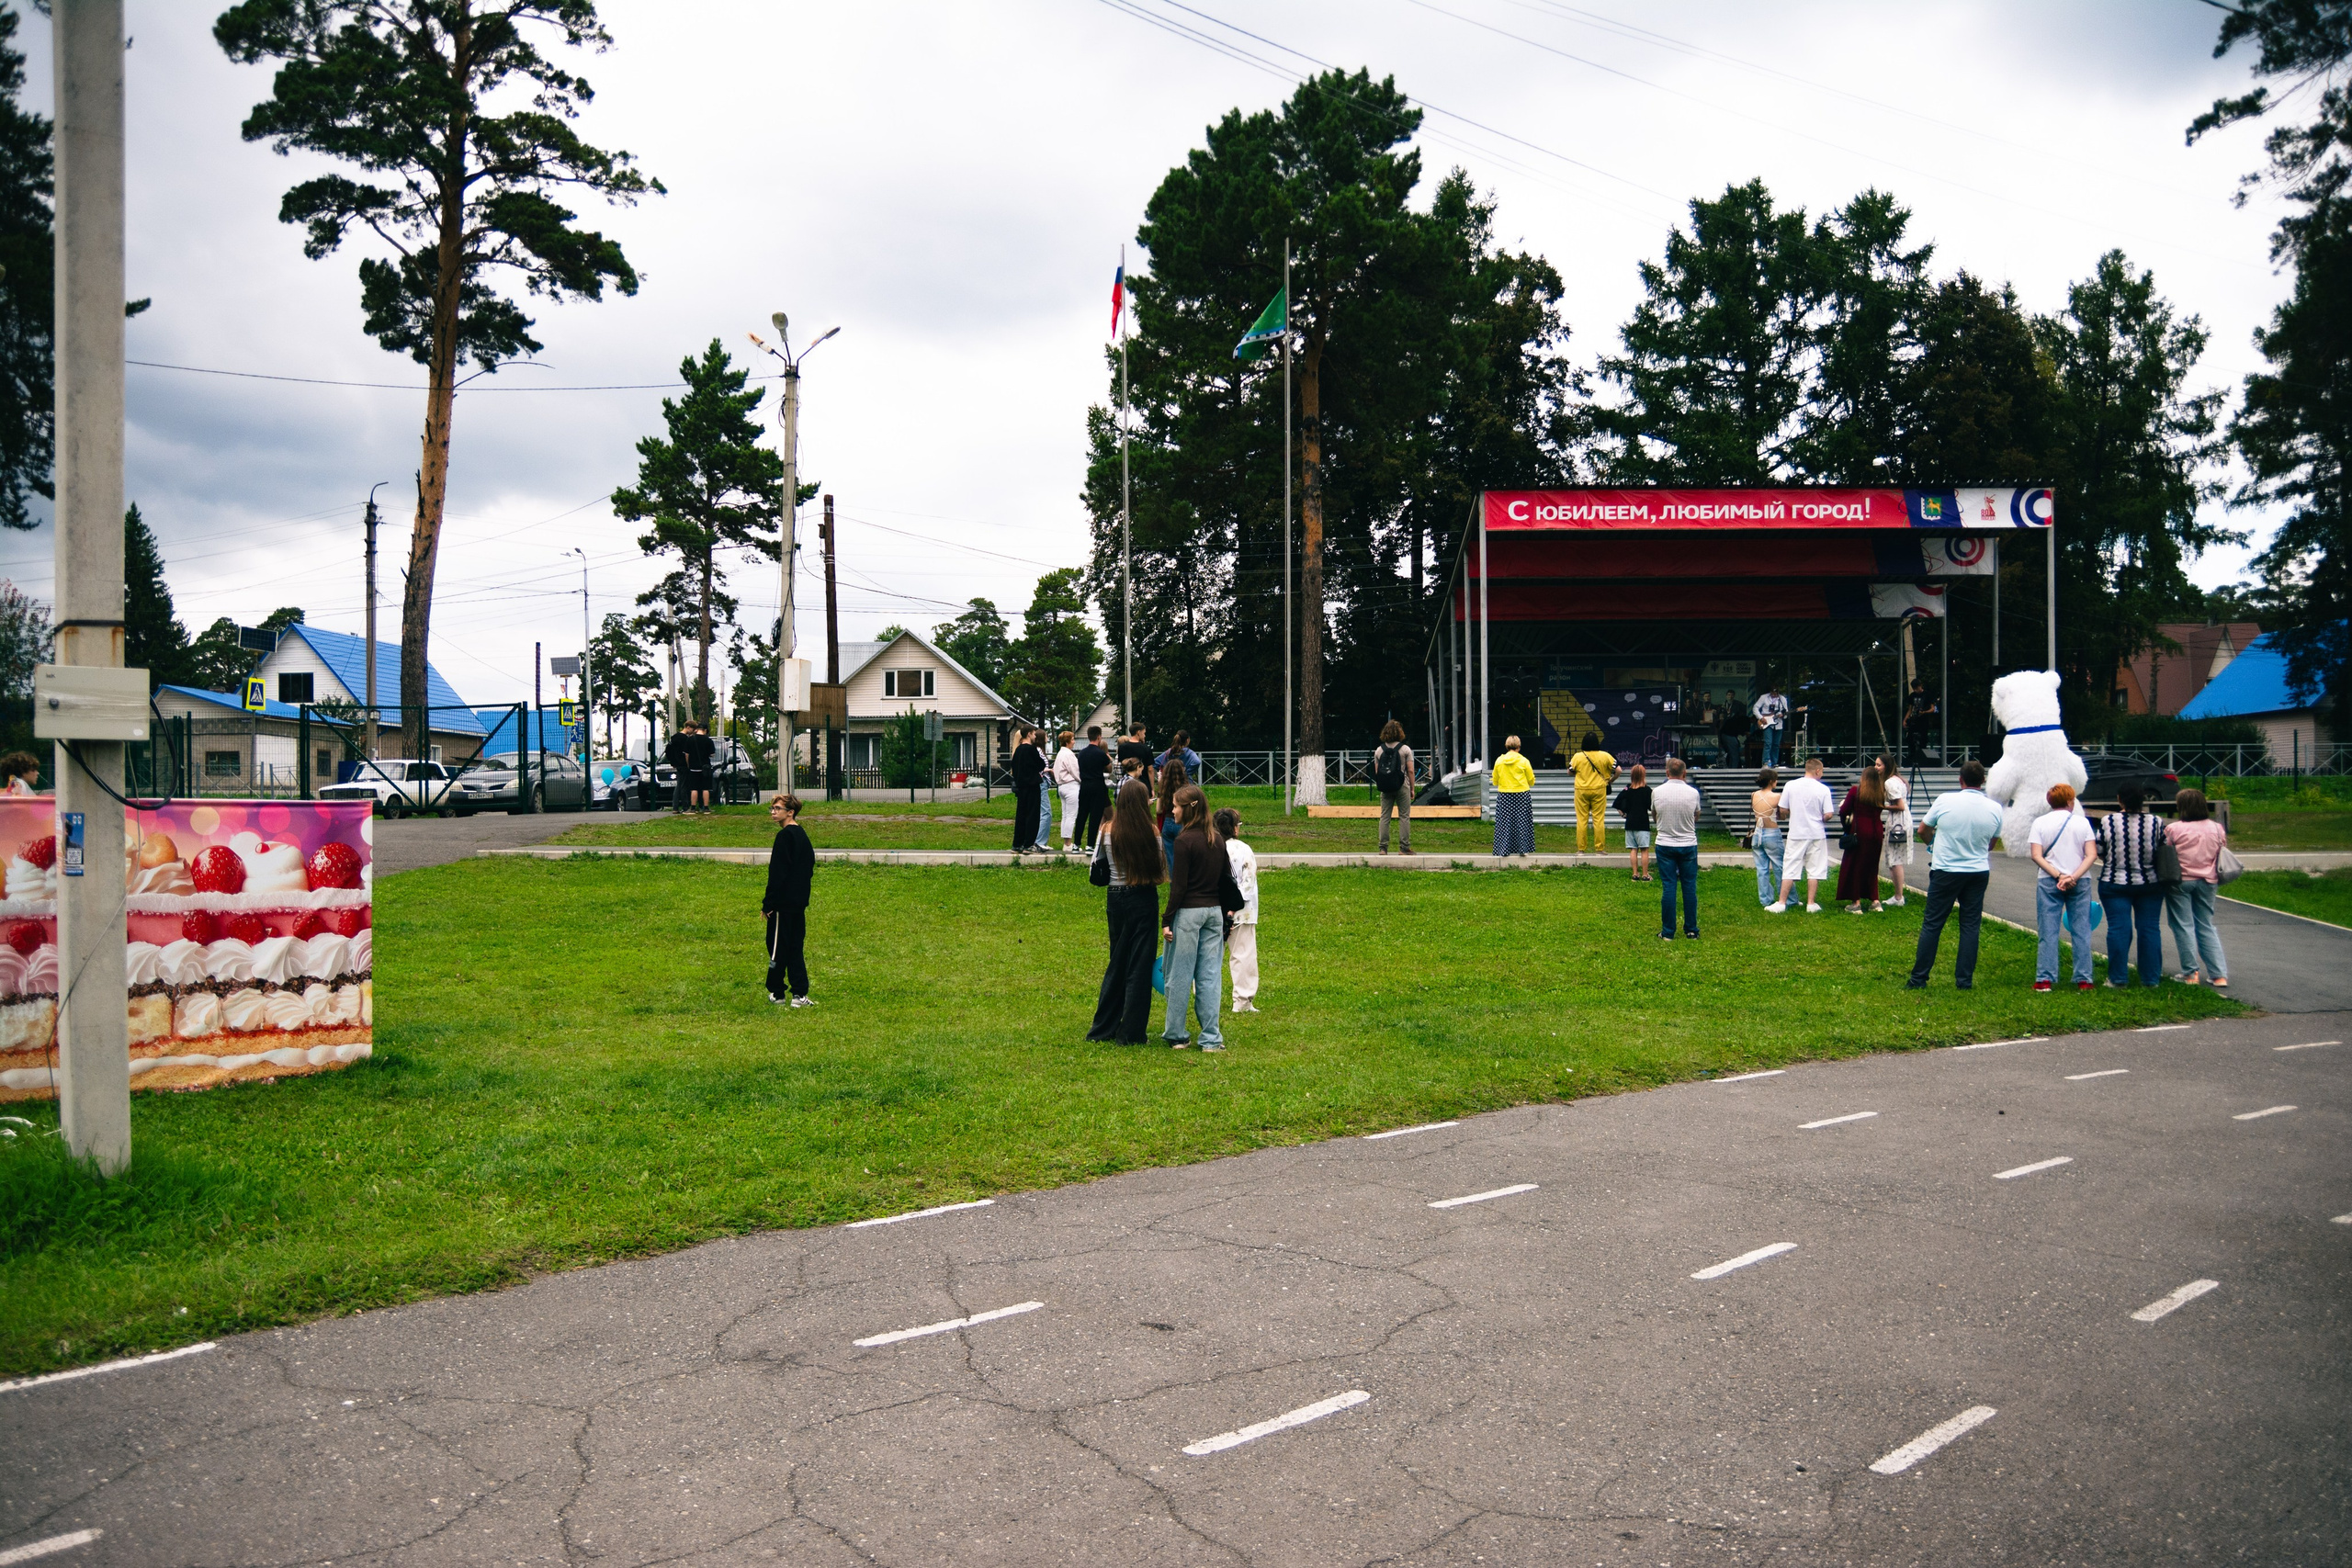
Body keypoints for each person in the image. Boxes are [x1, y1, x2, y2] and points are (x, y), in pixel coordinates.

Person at [1906, 759, 2005, 989]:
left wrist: (1932, 845)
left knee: (1933, 924)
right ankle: (1964, 980)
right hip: (1978, 870)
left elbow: (1923, 829)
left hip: (1946, 869)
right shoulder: (1995, 807)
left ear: (1960, 780)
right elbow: (1992, 842)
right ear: (1983, 781)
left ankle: (1919, 978)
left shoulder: (1945, 800)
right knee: (1970, 926)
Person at [1087, 780, 1166, 1043]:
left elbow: (1095, 868)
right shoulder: (1152, 832)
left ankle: (1104, 1027)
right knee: (1140, 965)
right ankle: (1131, 1032)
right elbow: (1160, 871)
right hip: (1143, 897)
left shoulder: (1107, 830)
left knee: (1117, 961)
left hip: (1116, 898)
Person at [1160, 784, 1227, 1050]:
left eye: (1175, 806)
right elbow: (1225, 881)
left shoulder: (1184, 841)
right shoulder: (1217, 839)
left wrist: (1167, 919)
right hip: (1214, 913)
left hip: (1189, 913)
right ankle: (1211, 1038)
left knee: (1179, 975)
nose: (1172, 810)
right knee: (1209, 977)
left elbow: (1179, 886)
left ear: (1188, 809)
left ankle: (1176, 1034)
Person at [2028, 781, 2100, 992]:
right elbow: (2091, 855)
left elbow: (2036, 855)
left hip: (2049, 880)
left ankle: (2045, 979)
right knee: (2081, 930)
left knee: (2048, 931)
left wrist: (2058, 875)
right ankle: (2084, 979)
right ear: (2070, 801)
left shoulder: (2039, 823)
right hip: (2080, 880)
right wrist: (2073, 876)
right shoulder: (2083, 823)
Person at [2097, 782, 2167, 988]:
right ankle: (2151, 978)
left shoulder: (2109, 820)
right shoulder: (2155, 821)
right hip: (2150, 883)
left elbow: (2100, 848)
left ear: (2120, 799)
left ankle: (2118, 978)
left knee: (2119, 928)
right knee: (2149, 929)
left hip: (2114, 882)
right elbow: (2162, 848)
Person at [2165, 788, 2231, 987]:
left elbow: (2166, 852)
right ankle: (2219, 975)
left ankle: (2190, 973)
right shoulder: (2217, 828)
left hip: (2181, 881)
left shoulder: (2174, 829)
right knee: (2206, 924)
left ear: (2181, 807)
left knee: (2183, 926)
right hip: (2209, 881)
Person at [761, 792, 816, 1006]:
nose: (773, 813)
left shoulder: (785, 836)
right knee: (795, 947)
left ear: (790, 812)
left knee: (777, 948)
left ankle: (777, 993)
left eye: (777, 809)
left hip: (783, 906)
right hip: (798, 903)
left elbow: (778, 873)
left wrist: (768, 904)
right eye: (772, 809)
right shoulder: (802, 834)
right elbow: (808, 868)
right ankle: (799, 994)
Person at [1766, 756, 1837, 913]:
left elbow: (1783, 809)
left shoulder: (1791, 785)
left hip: (1797, 831)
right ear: (1817, 771)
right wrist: (1821, 818)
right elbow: (1829, 814)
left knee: (1790, 865)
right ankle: (1811, 903)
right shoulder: (1823, 789)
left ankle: (1782, 902)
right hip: (1816, 832)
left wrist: (1794, 812)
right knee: (1815, 867)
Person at [1653, 757, 1702, 940]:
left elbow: (1654, 814)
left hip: (1665, 843)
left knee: (1669, 887)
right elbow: (1697, 814)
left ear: (1667, 773)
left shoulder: (1657, 792)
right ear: (1685, 773)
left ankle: (1668, 932)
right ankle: (1691, 929)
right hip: (1688, 843)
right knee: (1689, 886)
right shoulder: (1693, 793)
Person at [1216, 806, 1260, 1012]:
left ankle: (1205, 995)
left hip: (1215, 908)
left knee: (1211, 954)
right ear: (1234, 828)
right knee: (1243, 955)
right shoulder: (1243, 849)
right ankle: (1242, 1000)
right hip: (1243, 911)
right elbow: (1247, 883)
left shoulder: (1211, 846)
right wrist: (1233, 908)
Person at [1836, 763, 1887, 914]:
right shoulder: (1879, 792)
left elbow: (1844, 810)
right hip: (1877, 830)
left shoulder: (1855, 790)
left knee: (1855, 865)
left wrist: (1847, 828)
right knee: (1872, 866)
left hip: (1860, 831)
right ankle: (1875, 901)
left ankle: (1856, 902)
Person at [1567, 732, 1615, 854]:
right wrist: (1610, 780)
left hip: (1581, 790)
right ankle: (1600, 849)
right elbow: (1618, 769)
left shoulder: (1578, 756)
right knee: (1598, 819)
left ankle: (1581, 849)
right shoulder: (1605, 756)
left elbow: (1569, 771)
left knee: (1582, 819)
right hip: (1599, 789)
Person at [1373, 719, 1416, 854]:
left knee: (1385, 816)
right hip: (1402, 786)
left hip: (1386, 787)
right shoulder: (1405, 749)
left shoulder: (1379, 750)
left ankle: (1383, 848)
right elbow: (1410, 771)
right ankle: (1404, 848)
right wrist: (1412, 788)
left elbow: (1377, 772)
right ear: (1400, 733)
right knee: (1404, 816)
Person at [1490, 735, 1535, 857]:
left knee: (1504, 822)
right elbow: (1531, 780)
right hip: (1522, 794)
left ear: (1506, 745)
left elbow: (1495, 780)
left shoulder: (1499, 761)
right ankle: (1523, 849)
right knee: (1522, 821)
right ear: (1519, 746)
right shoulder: (1524, 761)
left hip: (1504, 794)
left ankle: (1504, 850)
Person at [1878, 755, 1914, 906]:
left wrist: (1881, 805)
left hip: (1898, 821)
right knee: (1895, 858)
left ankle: (1899, 896)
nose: (1876, 768)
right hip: (1903, 820)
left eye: (1879, 765)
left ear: (1886, 766)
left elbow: (1899, 805)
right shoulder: (1899, 780)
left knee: (1895, 859)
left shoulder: (1889, 782)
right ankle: (1898, 895)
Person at [1009, 726, 1046, 853]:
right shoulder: (1032, 750)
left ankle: (1017, 843)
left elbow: (1014, 766)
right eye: (1034, 734)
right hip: (1032, 786)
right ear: (1029, 734)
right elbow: (1041, 764)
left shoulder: (1018, 750)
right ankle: (1029, 844)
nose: (1035, 736)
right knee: (1032, 815)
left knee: (1021, 815)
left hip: (1021, 787)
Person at [1749, 767, 1782, 908]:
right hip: (1771, 832)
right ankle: (1787, 898)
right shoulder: (1777, 796)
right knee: (1779, 867)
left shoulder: (1753, 794)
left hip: (1757, 833)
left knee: (1761, 869)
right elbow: (1782, 815)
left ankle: (1765, 899)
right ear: (1771, 781)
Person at [1074, 725, 1112, 851]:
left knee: (1082, 815)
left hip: (1084, 785)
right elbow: (1108, 768)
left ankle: (1076, 844)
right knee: (1095, 816)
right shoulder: (1101, 754)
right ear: (1099, 736)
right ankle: (1090, 844)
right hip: (1097, 786)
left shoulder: (1082, 753)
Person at [1616, 763, 1654, 882]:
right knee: (1644, 849)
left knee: (1633, 849)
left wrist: (1623, 814)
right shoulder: (1647, 790)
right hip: (1642, 822)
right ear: (1644, 775)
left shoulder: (1628, 788)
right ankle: (1645, 874)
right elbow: (1652, 806)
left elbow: (1617, 802)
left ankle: (1635, 874)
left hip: (1630, 822)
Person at [1156, 755, 1190, 872]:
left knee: (1171, 860)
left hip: (1168, 823)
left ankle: (1173, 886)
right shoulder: (1186, 789)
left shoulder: (1163, 788)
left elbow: (1159, 810)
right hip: (1182, 823)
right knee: (1185, 858)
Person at [1052, 728, 1082, 852]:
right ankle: (1068, 843)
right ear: (1068, 741)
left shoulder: (1060, 753)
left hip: (1061, 786)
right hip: (1071, 786)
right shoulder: (1069, 754)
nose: (1074, 742)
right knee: (1071, 815)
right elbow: (1075, 771)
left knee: (1065, 815)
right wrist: (1082, 780)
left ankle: (1066, 842)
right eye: (1073, 739)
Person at [1753, 685, 1791, 770]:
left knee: (1776, 744)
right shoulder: (1764, 697)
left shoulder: (1782, 699)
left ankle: (1774, 762)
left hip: (1778, 723)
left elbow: (1786, 712)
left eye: (1775, 693)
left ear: (1778, 692)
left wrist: (1783, 716)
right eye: (1772, 692)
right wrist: (1761, 718)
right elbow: (1755, 708)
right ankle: (1765, 762)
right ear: (1770, 692)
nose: (1774, 694)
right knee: (1768, 743)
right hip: (1767, 722)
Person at [682, 721, 717, 813]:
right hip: (705, 767)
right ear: (705, 730)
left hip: (693, 767)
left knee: (694, 788)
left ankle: (693, 808)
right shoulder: (708, 740)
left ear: (697, 730)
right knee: (705, 788)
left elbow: (686, 755)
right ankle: (706, 808)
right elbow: (712, 754)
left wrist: (689, 765)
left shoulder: (690, 739)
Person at [1904, 677, 1939, 763]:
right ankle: (1912, 755)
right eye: (1914, 689)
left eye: (1917, 688)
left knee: (1923, 738)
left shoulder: (1927, 694)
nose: (1916, 690)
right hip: (1914, 719)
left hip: (1924, 720)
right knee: (1909, 737)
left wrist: (1924, 712)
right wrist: (1905, 719)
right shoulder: (1912, 696)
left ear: (1920, 686)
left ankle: (1922, 756)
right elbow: (1910, 709)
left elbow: (1933, 709)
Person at [1117, 723, 1155, 791]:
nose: (1144, 736)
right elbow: (1150, 770)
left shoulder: (1122, 748)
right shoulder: (1146, 749)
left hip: (1127, 784)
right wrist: (1152, 788)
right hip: (1143, 784)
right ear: (1138, 732)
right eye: (1144, 733)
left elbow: (1122, 765)